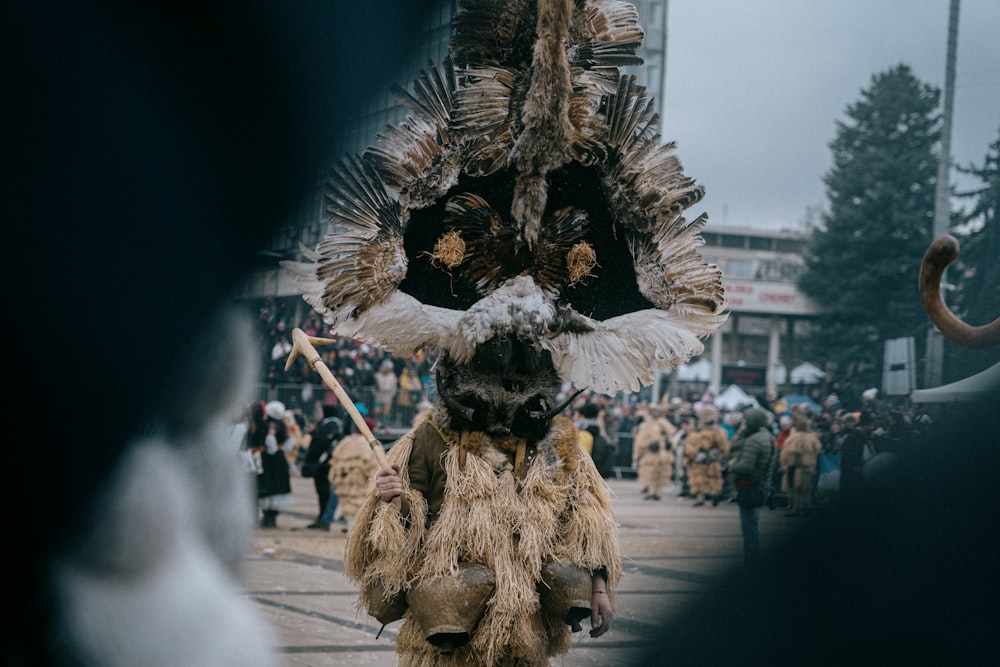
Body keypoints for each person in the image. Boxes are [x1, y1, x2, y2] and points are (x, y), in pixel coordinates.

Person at [344, 350, 621, 666]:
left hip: (525, 619)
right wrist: (394, 499)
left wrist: (598, 589)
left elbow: (583, 523)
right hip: (449, 617)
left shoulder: (556, 443)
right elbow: (407, 530)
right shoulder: (433, 436)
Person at [728, 408, 777, 565]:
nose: (745, 424)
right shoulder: (768, 437)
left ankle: (752, 559)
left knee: (749, 528)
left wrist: (733, 466)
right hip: (761, 486)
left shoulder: (754, 440)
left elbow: (747, 466)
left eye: (747, 421)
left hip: (750, 487)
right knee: (753, 525)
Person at [327, 417, 379, 533]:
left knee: (348, 508)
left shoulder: (345, 442)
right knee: (359, 510)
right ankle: (354, 534)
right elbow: (372, 467)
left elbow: (335, 463)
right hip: (361, 484)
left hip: (344, 484)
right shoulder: (369, 444)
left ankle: (351, 530)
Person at [302, 404, 343, 529]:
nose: (318, 413)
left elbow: (323, 442)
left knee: (324, 492)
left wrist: (314, 433)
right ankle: (322, 517)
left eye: (319, 410)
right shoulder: (327, 424)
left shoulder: (331, 425)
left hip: (324, 464)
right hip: (321, 464)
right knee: (321, 492)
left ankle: (324, 519)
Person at [779, 404, 823, 517]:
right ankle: (803, 506)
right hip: (806, 466)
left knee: (798, 487)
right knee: (804, 488)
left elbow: (790, 453)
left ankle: (798, 508)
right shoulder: (810, 437)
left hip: (798, 465)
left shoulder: (797, 438)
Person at [258, 401, 295, 528]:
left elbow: (271, 447)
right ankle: (272, 517)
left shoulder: (269, 427)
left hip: (269, 460)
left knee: (269, 486)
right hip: (280, 459)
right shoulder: (283, 426)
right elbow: (289, 444)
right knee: (278, 487)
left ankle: (267, 516)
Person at [684, 405, 730, 506]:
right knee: (712, 478)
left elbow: (691, 446)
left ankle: (701, 497)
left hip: (702, 459)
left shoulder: (700, 431)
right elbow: (723, 448)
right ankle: (713, 493)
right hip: (712, 459)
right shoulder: (717, 432)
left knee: (700, 478)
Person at [633, 405, 675, 500]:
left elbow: (671, 433)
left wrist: (667, 443)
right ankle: (652, 491)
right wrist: (648, 445)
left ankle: (657, 492)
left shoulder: (663, 423)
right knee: (651, 472)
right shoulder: (648, 424)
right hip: (651, 452)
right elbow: (642, 438)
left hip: (662, 452)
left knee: (660, 472)